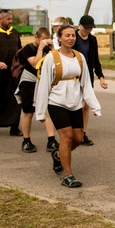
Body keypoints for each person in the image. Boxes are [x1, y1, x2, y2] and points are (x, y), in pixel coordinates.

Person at [35, 24, 101, 188]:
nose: (71, 38)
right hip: (57, 103)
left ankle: (58, 155)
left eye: (73, 35)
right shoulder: (52, 57)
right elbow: (44, 85)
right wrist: (41, 112)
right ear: (59, 38)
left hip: (75, 103)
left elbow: (86, 84)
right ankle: (68, 175)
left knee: (78, 139)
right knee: (67, 137)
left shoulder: (79, 57)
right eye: (67, 35)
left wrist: (95, 106)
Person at [16, 27, 58, 153]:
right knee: (28, 112)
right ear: (36, 37)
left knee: (47, 111)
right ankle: (26, 140)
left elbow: (56, 61)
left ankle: (51, 140)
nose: (43, 42)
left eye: (45, 40)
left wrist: (52, 48)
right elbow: (35, 63)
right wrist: (40, 49)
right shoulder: (28, 49)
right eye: (42, 40)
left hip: (42, 83)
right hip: (29, 82)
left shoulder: (47, 48)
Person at [74, 14, 108, 146]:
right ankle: (74, 131)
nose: (88, 30)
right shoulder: (73, 38)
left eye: (90, 28)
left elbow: (95, 59)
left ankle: (83, 133)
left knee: (86, 105)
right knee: (77, 105)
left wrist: (101, 77)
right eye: (85, 28)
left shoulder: (93, 40)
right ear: (79, 26)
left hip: (87, 75)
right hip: (73, 75)